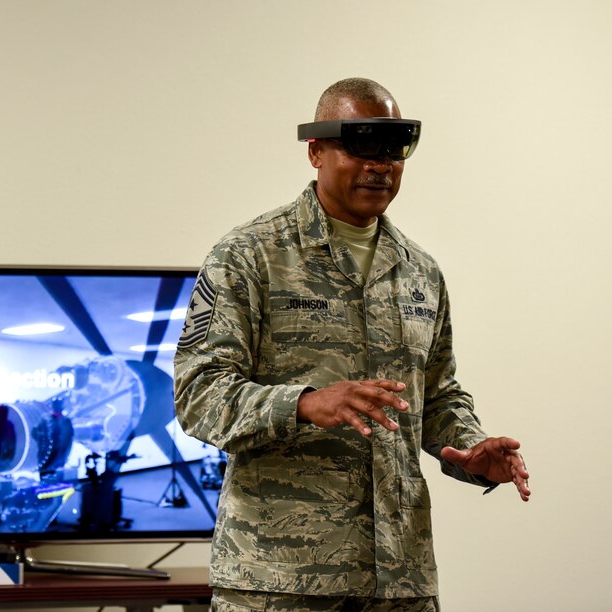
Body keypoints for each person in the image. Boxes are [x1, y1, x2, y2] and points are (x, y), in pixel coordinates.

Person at [173, 77, 531, 611]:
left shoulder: (420, 272)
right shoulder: (248, 256)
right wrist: (304, 403)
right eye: (360, 145)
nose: (379, 164)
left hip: (400, 581)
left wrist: (471, 450)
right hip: (279, 581)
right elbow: (198, 395)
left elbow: (437, 397)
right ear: (315, 151)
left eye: (395, 147)